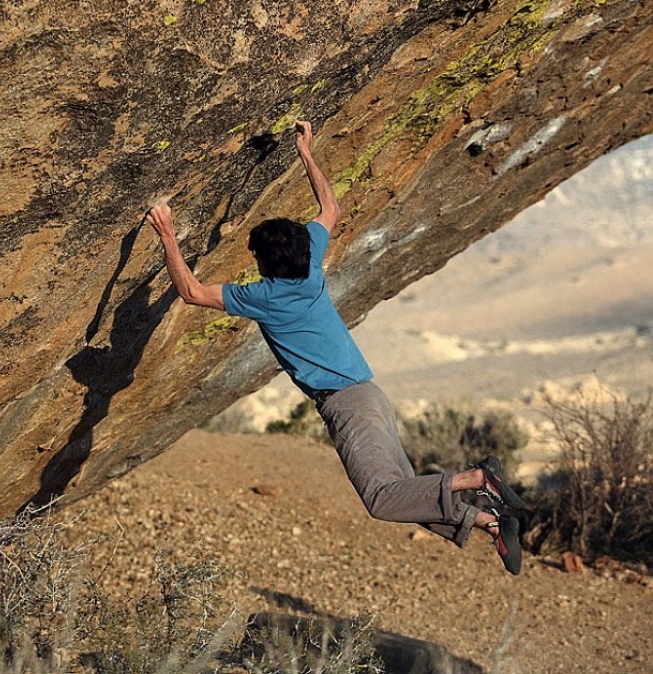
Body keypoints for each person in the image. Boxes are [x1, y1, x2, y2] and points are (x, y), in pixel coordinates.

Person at [145, 120, 525, 575]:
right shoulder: (311, 266)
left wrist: (167, 232)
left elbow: (191, 292)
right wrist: (307, 153)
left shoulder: (264, 298)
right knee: (408, 493)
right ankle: (489, 521)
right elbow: (331, 207)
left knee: (382, 500)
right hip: (369, 396)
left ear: (264, 265)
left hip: (346, 405)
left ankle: (479, 479)